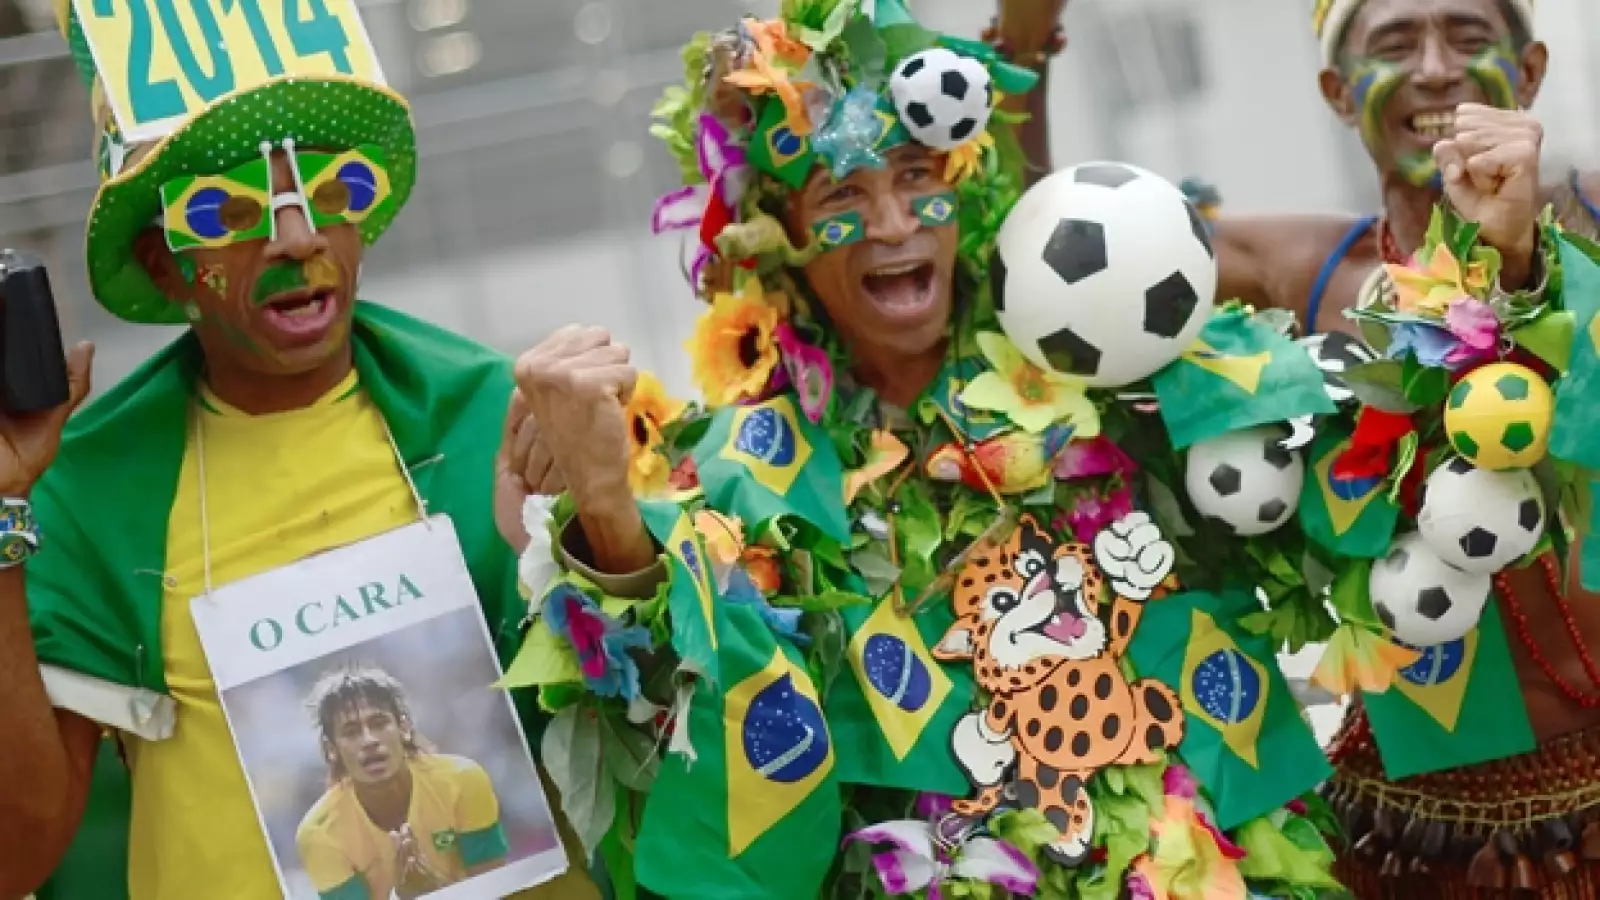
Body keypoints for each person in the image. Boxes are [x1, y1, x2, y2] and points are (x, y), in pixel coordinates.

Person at [502, 1, 1345, 898]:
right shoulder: (745, 472)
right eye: (842, 196)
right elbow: (687, 699)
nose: (896, 223)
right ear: (778, 240)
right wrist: (601, 504)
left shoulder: (1092, 348)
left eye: (916, 175)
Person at [0, 4, 598, 899]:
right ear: (160, 263)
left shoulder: (497, 420)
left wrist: (612, 510)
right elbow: (17, 858)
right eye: (223, 207)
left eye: (334, 189)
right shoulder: (90, 493)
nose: (296, 237)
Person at [1210, 1, 1600, 895]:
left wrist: (1515, 261)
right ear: (1338, 92)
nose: (1433, 69)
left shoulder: (1595, 229)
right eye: (1393, 45)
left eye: (1468, 38)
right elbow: (1060, 267)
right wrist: (1026, 48)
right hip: (1417, 834)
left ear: (1530, 71)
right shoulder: (1309, 273)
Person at [296, 664, 507, 900]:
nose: (369, 741)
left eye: (379, 723)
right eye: (351, 732)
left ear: (404, 727)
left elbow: (497, 889)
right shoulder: (320, 834)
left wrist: (436, 891)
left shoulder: (462, 780)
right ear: (331, 749)